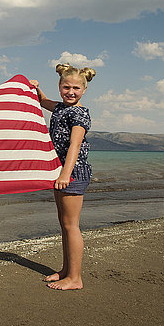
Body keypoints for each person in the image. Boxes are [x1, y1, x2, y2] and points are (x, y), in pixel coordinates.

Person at [30, 63, 96, 290]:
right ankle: (66, 270)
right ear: (60, 87)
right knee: (64, 224)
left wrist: (65, 174)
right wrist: (35, 88)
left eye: (76, 88)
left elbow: (75, 146)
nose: (71, 92)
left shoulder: (79, 113)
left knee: (71, 225)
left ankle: (75, 278)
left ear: (84, 90)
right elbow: (41, 101)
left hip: (72, 172)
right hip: (60, 172)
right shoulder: (59, 108)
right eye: (66, 87)